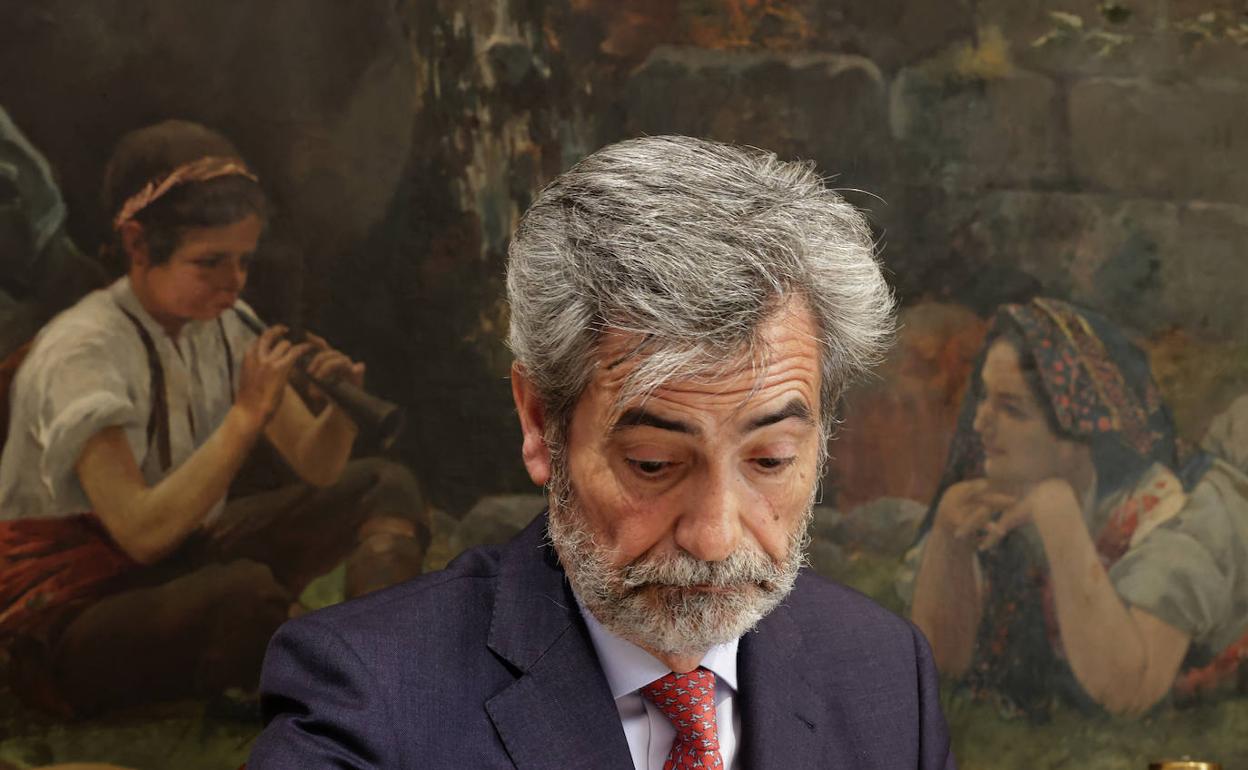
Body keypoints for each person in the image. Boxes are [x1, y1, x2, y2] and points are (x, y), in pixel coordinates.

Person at [249, 135, 955, 769]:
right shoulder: (366, 695)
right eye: (653, 464)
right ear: (540, 423)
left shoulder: (886, 673)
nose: (714, 539)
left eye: (769, 460)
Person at [0, 120, 430, 715]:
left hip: (175, 559)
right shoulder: (83, 352)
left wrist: (338, 410)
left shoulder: (222, 323)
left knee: (384, 483)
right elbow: (141, 536)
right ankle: (350, 688)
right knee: (244, 595)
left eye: (243, 261)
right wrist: (246, 417)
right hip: (68, 612)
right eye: (209, 263)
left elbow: (318, 466)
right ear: (137, 246)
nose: (233, 285)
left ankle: (385, 653)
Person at [910, 298, 1248, 719]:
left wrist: (1059, 518)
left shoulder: (1180, 515)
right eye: (983, 398)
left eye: (1011, 409)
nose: (979, 424)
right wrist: (949, 541)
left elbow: (1130, 692)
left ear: (1079, 434)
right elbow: (938, 666)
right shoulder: (1002, 496)